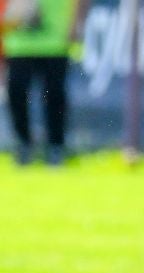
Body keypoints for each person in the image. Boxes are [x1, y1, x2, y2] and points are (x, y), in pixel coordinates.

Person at [3, 0, 86, 166]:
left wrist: (77, 24)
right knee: (16, 93)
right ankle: (23, 144)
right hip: (19, 42)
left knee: (54, 95)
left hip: (56, 41)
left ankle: (56, 146)